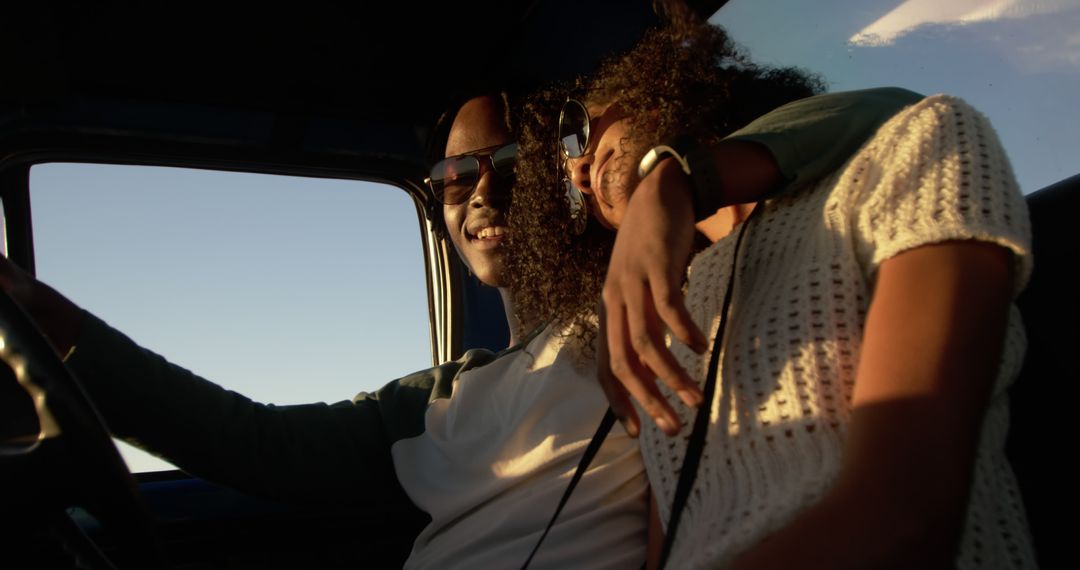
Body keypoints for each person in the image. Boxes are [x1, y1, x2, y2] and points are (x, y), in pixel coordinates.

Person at [2, 79, 919, 569]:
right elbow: (257, 444)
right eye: (448, 178)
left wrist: (678, 180)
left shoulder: (688, 297)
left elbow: (890, 119)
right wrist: (53, 320)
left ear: (569, 178)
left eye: (508, 163)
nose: (476, 194)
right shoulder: (445, 393)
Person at [511, 14, 1036, 570]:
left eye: (580, 131)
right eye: (567, 168)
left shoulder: (914, 149)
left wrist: (678, 176)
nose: (576, 169)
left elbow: (900, 518)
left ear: (656, 90)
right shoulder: (660, 324)